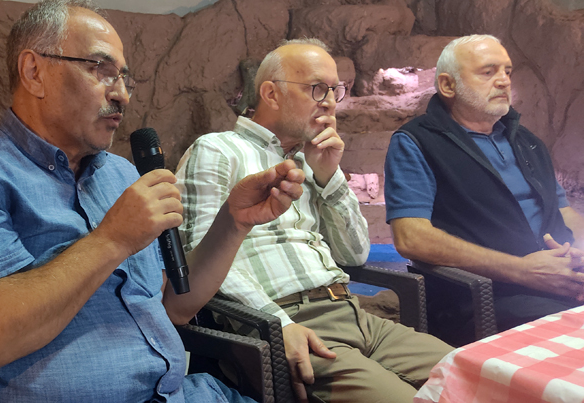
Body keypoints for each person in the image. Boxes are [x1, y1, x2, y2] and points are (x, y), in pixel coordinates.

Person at [0, 1, 306, 401]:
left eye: (125, 78)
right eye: (101, 69)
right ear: (34, 72)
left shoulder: (121, 175)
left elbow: (173, 306)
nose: (123, 94)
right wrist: (113, 240)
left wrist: (234, 221)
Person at [175, 39, 453, 403]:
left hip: (355, 312)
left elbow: (355, 254)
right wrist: (279, 324)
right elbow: (199, 256)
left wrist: (329, 176)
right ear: (271, 94)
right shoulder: (217, 149)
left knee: (477, 373)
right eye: (317, 88)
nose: (330, 102)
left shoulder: (310, 160)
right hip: (286, 322)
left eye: (335, 90)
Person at [384, 34, 584, 343]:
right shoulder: (416, 142)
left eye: (507, 71)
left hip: (561, 280)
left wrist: (579, 253)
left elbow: (564, 211)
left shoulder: (527, 141)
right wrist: (521, 270)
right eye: (488, 72)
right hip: (485, 298)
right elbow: (411, 237)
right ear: (448, 85)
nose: (504, 81)